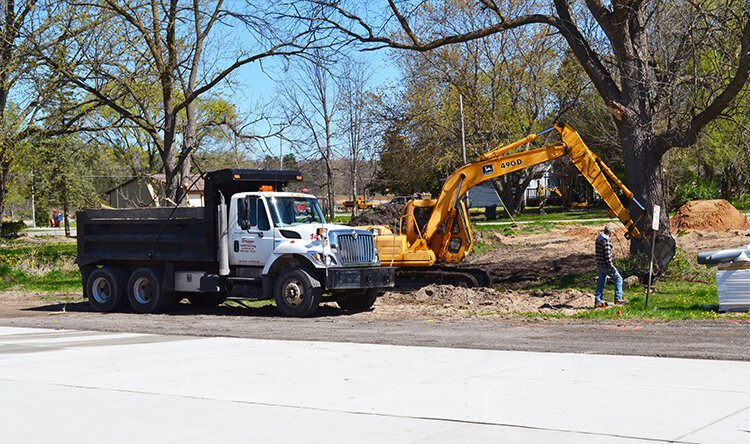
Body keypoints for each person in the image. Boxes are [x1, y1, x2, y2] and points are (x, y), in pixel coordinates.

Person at [595, 225, 627, 307]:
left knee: (601, 282)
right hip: (606, 265)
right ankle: (618, 298)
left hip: (599, 264)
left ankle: (598, 301)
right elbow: (607, 256)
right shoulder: (606, 241)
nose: (612, 234)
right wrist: (611, 266)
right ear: (609, 232)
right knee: (618, 279)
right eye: (612, 232)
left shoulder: (598, 239)